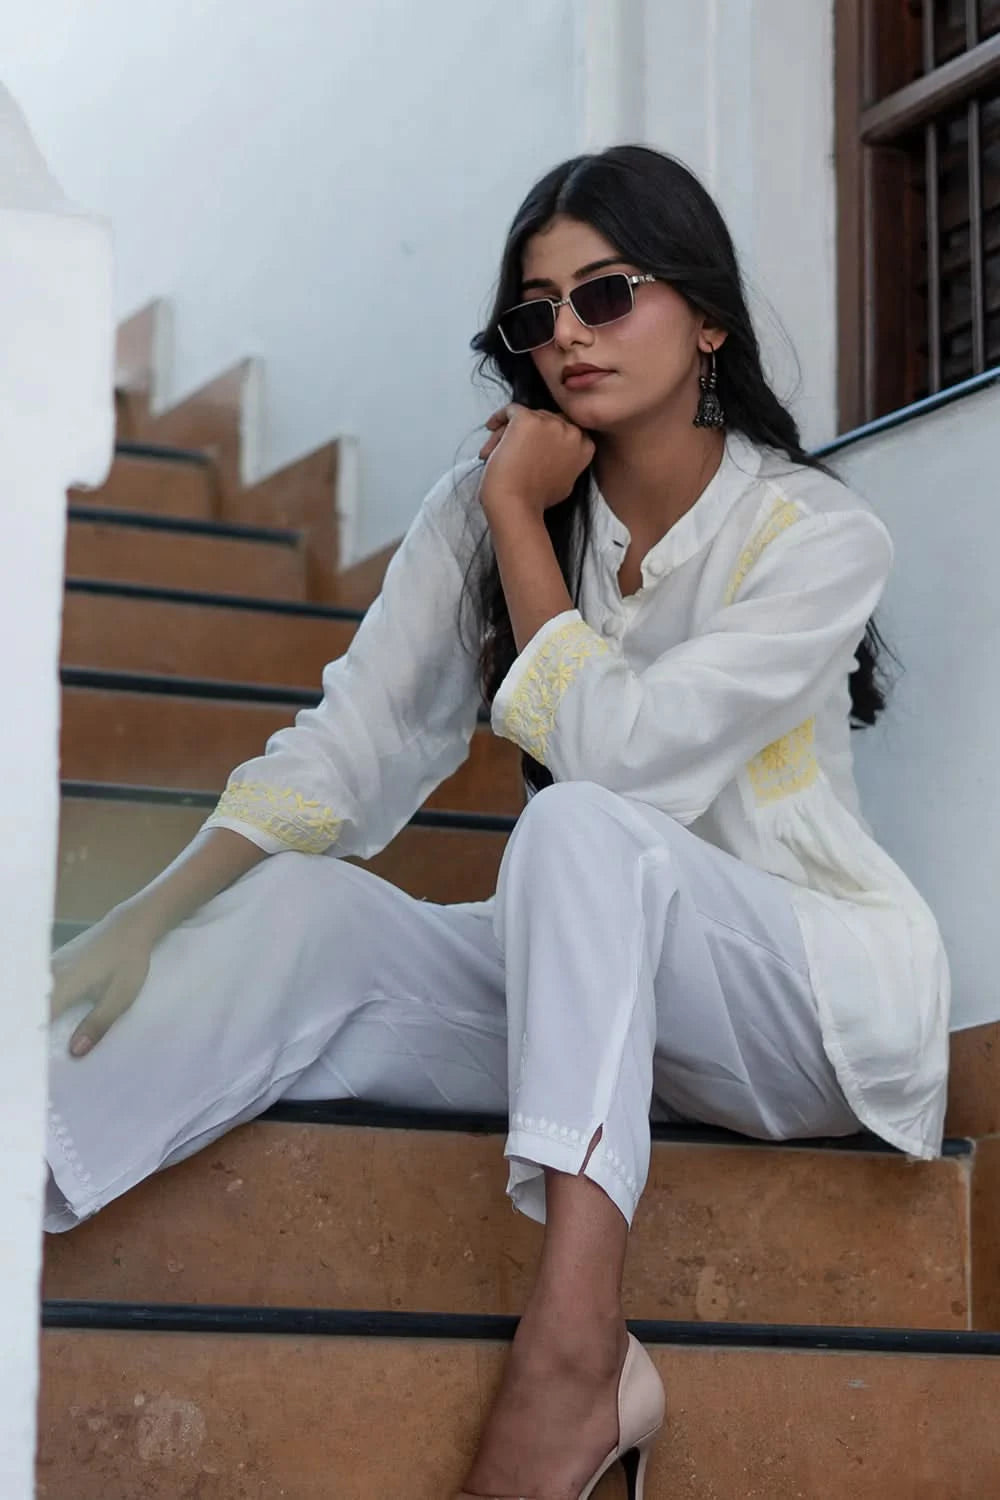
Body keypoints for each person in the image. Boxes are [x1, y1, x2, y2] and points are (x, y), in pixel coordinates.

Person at [47, 144, 951, 1500]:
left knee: (578, 827)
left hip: (809, 1012)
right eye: (538, 314)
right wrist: (145, 916)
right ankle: (29, 1168)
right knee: (308, 908)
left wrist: (520, 513)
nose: (568, 336)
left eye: (608, 294)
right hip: (610, 1009)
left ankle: (575, 1351)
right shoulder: (479, 512)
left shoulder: (814, 534)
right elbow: (349, 747)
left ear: (706, 315)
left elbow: (621, 765)